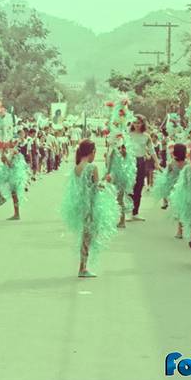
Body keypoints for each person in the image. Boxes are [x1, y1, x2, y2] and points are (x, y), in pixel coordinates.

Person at [61, 139, 120, 277]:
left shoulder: (77, 167)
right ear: (92, 152)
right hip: (91, 205)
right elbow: (97, 188)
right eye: (95, 152)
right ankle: (82, 268)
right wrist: (107, 181)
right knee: (87, 237)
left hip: (81, 204)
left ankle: (83, 266)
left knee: (85, 235)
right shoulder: (92, 167)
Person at [128, 115, 161, 221]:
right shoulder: (128, 134)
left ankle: (135, 213)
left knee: (139, 187)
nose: (137, 125)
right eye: (135, 122)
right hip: (129, 163)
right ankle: (128, 211)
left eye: (139, 123)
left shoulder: (146, 136)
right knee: (129, 187)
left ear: (143, 123)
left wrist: (157, 163)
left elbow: (152, 150)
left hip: (141, 162)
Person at [0, 140, 28, 220]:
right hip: (6, 172)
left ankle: (17, 214)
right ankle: (1, 198)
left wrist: (5, 158)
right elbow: (4, 163)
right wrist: (3, 154)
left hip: (14, 174)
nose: (9, 143)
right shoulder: (6, 151)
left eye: (12, 142)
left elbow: (11, 165)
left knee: (14, 194)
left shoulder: (14, 151)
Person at [105, 135, 136, 228]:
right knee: (119, 199)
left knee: (118, 199)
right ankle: (121, 220)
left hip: (117, 177)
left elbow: (110, 165)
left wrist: (107, 174)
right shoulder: (122, 151)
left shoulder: (116, 151)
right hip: (120, 177)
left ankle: (122, 221)